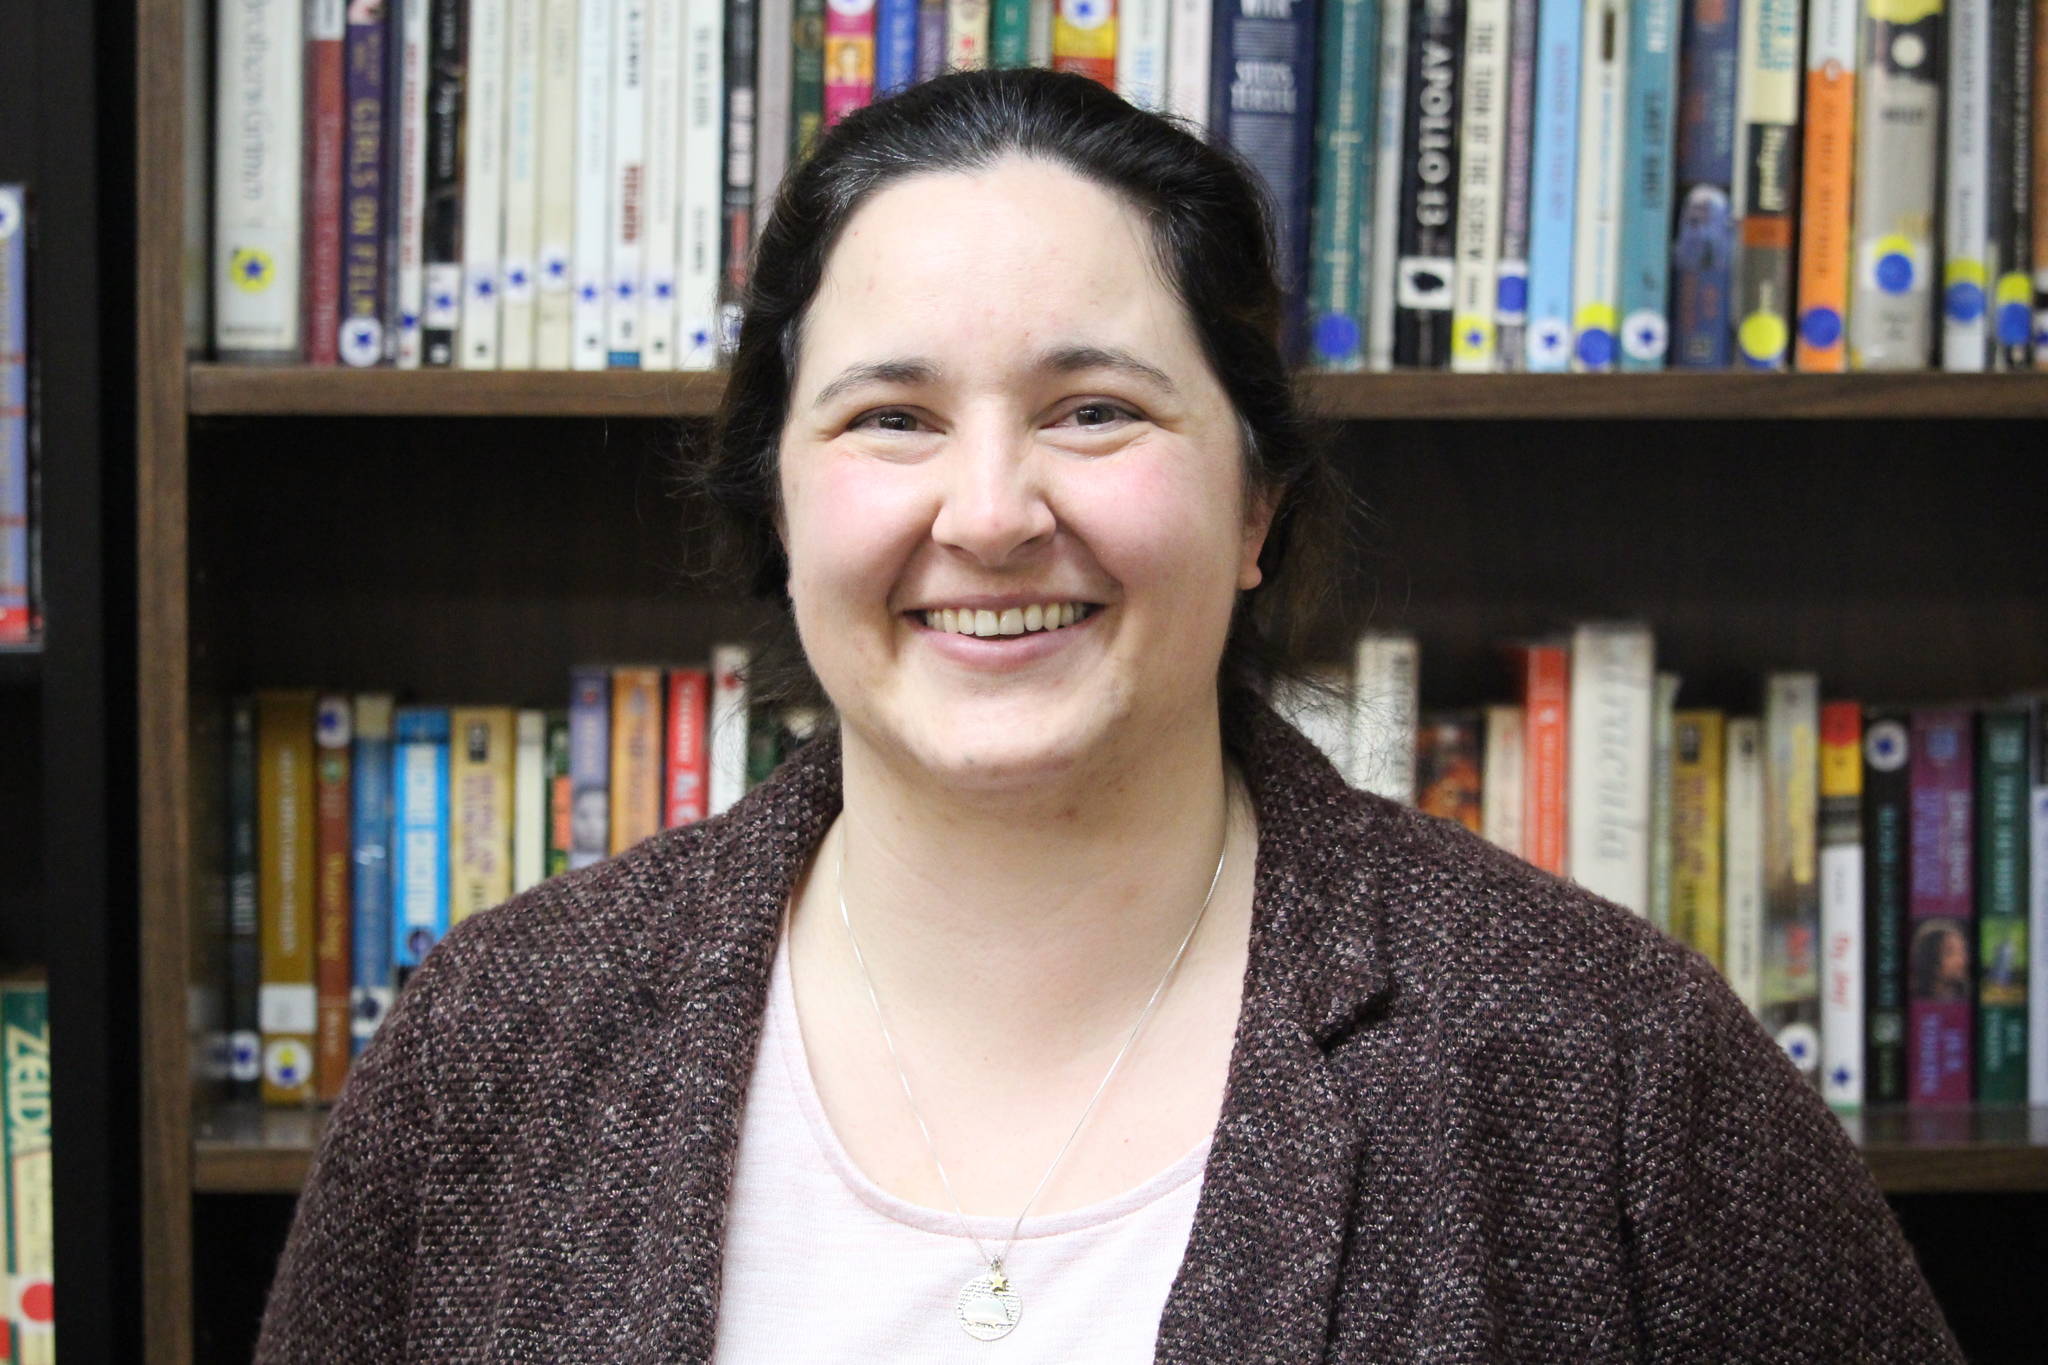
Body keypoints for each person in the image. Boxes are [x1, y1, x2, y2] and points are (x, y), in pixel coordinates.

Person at [256, 68, 1962, 1361]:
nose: (991, 511)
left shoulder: (1602, 1059)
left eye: (1092, 408)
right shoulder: (499, 1042)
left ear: (1260, 506)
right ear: (778, 508)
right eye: (891, 419)